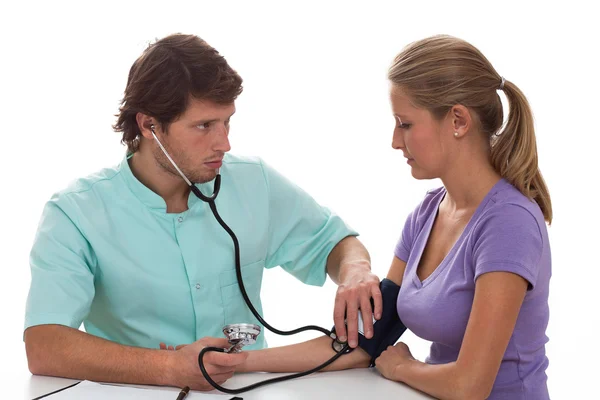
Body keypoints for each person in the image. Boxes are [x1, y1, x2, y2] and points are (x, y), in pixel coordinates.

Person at [23, 33, 383, 391]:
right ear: (149, 125)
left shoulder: (253, 181)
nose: (224, 143)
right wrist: (167, 368)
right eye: (203, 126)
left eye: (227, 121)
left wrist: (355, 269)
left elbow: (334, 243)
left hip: (249, 390)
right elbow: (45, 346)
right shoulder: (74, 213)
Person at [237, 35, 552, 400]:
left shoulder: (508, 224)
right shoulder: (426, 215)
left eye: (405, 124)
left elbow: (470, 386)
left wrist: (404, 368)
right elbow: (366, 343)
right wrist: (241, 362)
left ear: (458, 121)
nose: (394, 140)